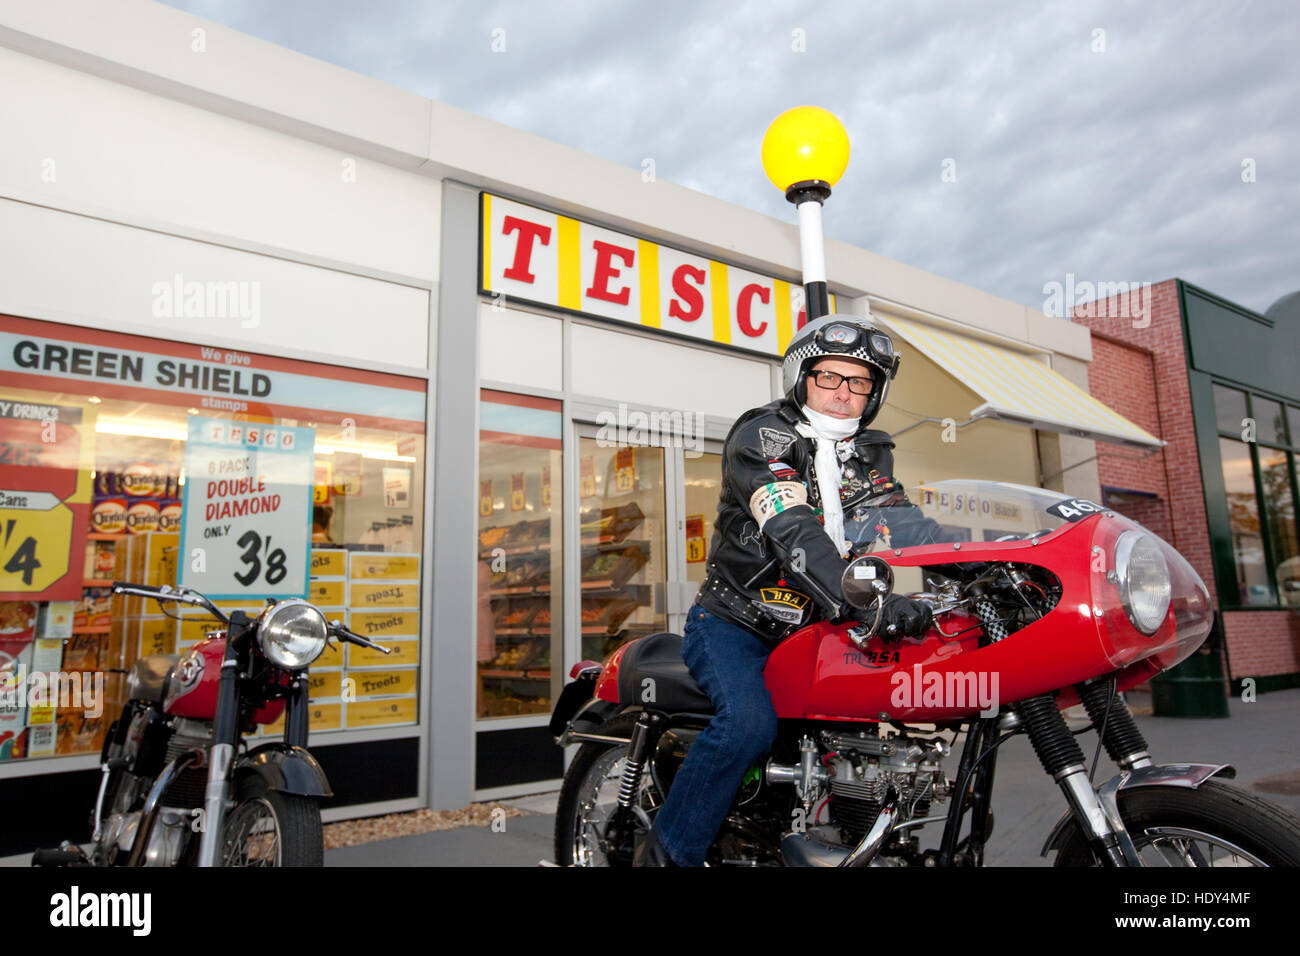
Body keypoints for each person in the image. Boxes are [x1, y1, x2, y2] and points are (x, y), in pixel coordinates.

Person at [636, 313, 943, 867]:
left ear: (874, 393)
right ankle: (667, 856)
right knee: (748, 723)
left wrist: (998, 566)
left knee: (864, 725)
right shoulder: (763, 435)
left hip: (817, 626)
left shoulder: (867, 454)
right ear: (801, 377)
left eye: (859, 382)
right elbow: (792, 527)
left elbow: (910, 526)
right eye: (829, 377)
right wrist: (868, 599)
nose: (842, 393)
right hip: (737, 623)